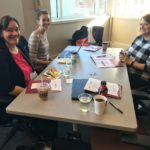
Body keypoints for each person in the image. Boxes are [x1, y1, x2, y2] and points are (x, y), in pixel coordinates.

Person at [0, 15, 36, 97]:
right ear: (1, 33)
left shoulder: (19, 47)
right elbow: (10, 89)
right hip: (18, 99)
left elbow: (31, 70)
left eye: (17, 29)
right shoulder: (2, 56)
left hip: (31, 88)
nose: (15, 33)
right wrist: (33, 94)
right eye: (9, 30)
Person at [120, 14, 150, 89]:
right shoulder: (138, 38)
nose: (142, 27)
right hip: (128, 71)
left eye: (146, 24)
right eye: (141, 24)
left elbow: (148, 67)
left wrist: (130, 62)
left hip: (141, 78)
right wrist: (124, 54)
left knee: (114, 79)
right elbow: (129, 51)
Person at [28, 9, 52, 74]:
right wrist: (49, 63)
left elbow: (46, 53)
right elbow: (32, 60)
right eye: (43, 20)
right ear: (38, 22)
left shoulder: (44, 33)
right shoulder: (35, 36)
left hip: (46, 65)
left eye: (48, 20)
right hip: (39, 69)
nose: (46, 22)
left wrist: (51, 60)